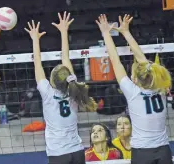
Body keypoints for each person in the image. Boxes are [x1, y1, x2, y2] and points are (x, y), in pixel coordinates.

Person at [96, 14, 172, 164]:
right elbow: (145, 63)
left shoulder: (133, 93)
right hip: (163, 151)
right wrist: (126, 32)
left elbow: (115, 60)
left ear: (135, 80)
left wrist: (106, 33)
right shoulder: (161, 88)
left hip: (143, 153)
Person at [25, 12, 97, 164]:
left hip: (59, 154)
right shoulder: (73, 89)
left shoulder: (48, 93)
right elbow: (66, 58)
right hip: (77, 151)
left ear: (51, 80)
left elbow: (37, 62)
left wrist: (35, 40)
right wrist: (64, 32)